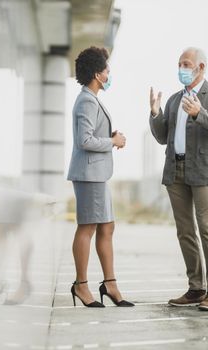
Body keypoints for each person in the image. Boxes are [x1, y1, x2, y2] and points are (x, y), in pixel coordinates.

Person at [149, 47, 208, 311]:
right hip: (175, 170)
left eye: (186, 64)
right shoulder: (174, 100)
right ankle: (196, 288)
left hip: (204, 170)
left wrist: (201, 113)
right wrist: (155, 114)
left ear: (201, 68)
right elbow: (163, 136)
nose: (181, 69)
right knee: (185, 231)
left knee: (207, 228)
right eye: (179, 64)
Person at [67, 46, 134, 308]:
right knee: (88, 227)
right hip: (89, 175)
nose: (109, 73)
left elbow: (91, 134)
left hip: (97, 174)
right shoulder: (86, 99)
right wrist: (112, 140)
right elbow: (84, 140)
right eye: (107, 70)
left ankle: (110, 284)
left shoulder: (91, 99)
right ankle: (81, 286)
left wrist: (109, 136)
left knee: (107, 227)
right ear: (98, 74)